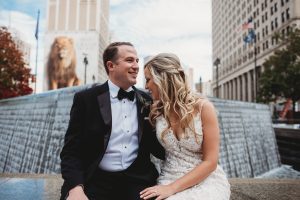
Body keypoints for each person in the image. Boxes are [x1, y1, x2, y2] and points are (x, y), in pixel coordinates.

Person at [60, 42, 165, 200]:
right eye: (130, 60)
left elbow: (159, 147)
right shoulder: (86, 99)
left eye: (137, 61)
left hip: (137, 180)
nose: (136, 66)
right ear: (111, 65)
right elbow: (71, 151)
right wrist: (76, 187)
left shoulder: (148, 101)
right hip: (95, 179)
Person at [140, 53, 230, 200]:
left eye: (148, 79)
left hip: (205, 179)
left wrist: (171, 188)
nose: (145, 86)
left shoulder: (203, 108)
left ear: (162, 79)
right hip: (168, 176)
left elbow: (211, 161)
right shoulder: (155, 110)